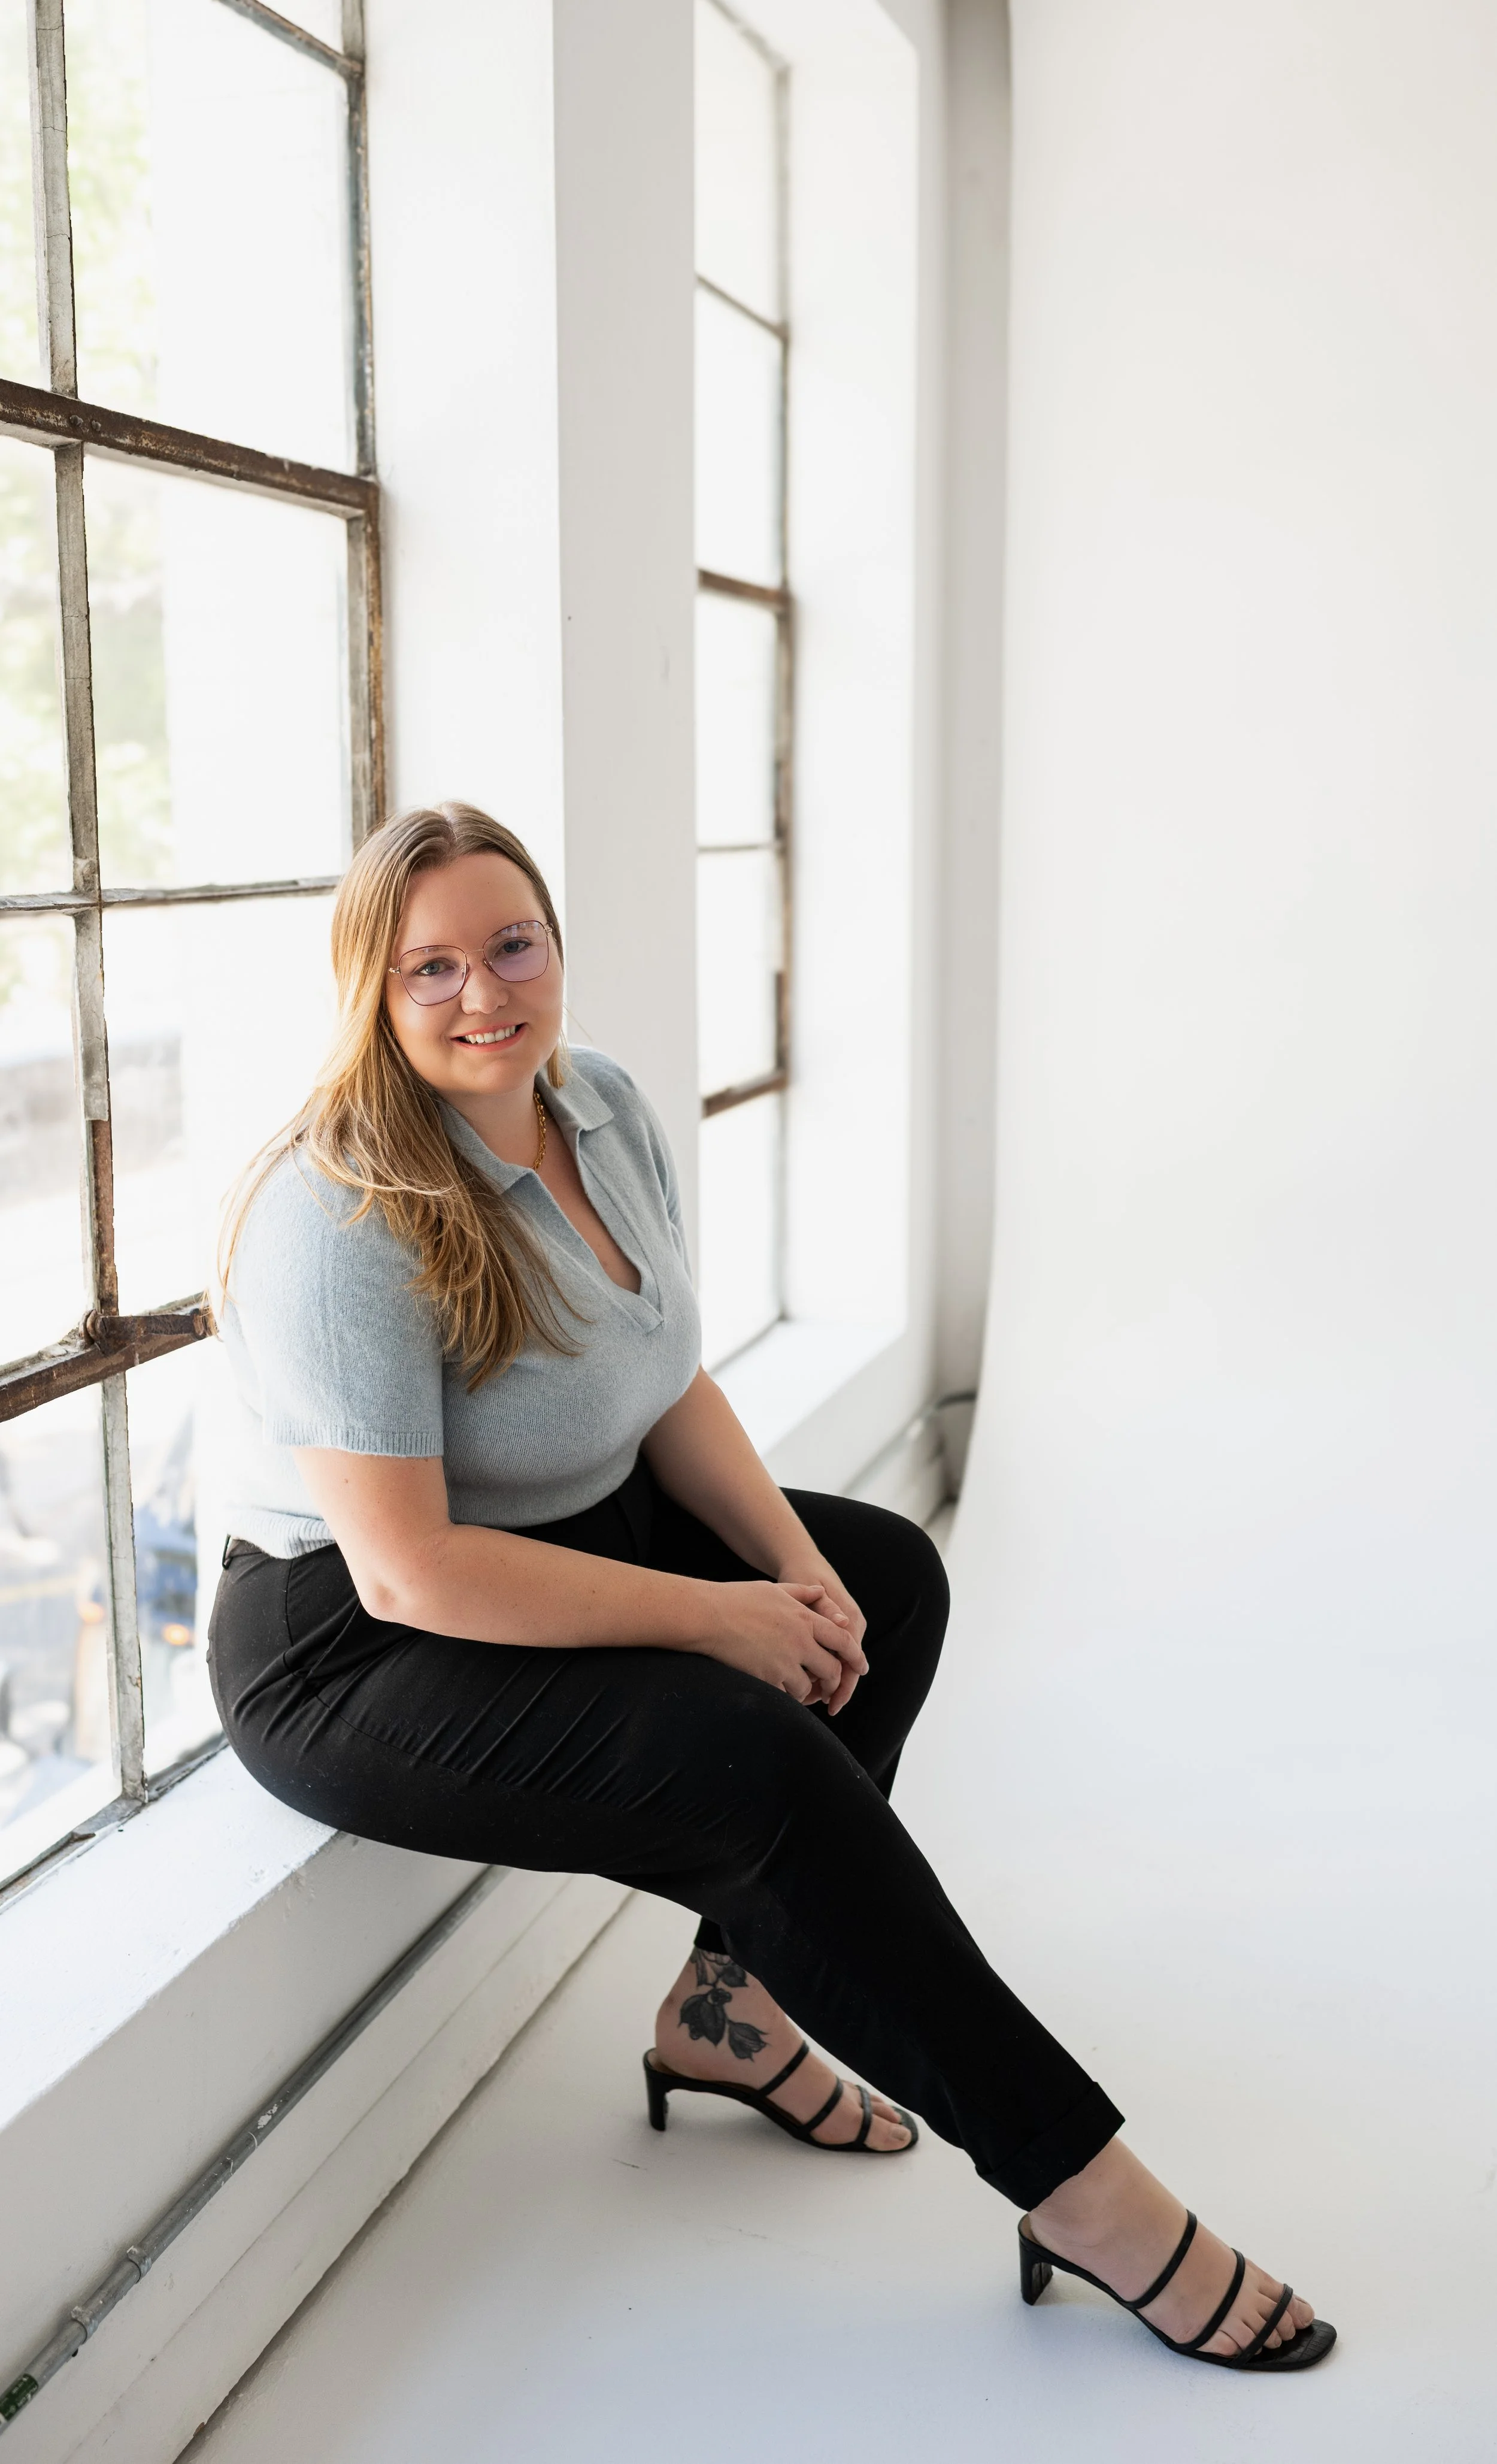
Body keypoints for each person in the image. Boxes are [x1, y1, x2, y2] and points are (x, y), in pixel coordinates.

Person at [208, 803, 1334, 2373]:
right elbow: (410, 1569)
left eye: (512, 944)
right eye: (431, 970)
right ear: (371, 995)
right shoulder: (344, 1212)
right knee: (753, 1765)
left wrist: (794, 1572)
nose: (485, 995)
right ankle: (1082, 2195)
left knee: (883, 1582)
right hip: (355, 1637)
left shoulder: (594, 1106)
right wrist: (713, 1614)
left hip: (560, 1534)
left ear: (555, 945)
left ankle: (723, 2016)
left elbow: (664, 1390)